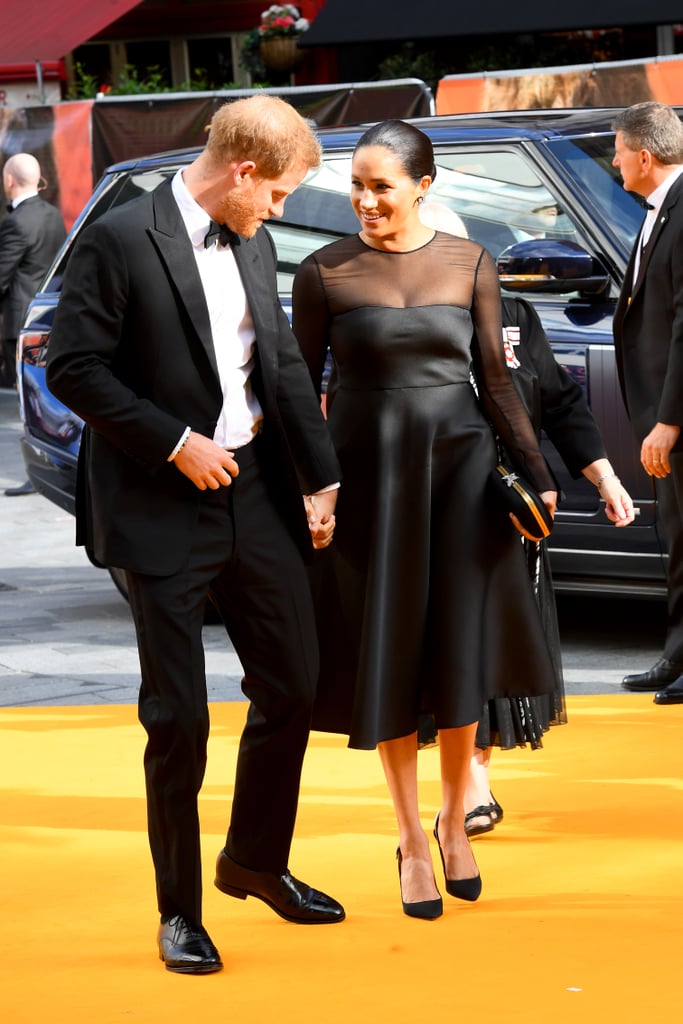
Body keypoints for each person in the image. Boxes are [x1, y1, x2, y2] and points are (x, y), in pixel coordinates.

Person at [46, 95, 346, 976]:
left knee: (293, 682)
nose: (280, 213)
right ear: (242, 171)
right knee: (177, 719)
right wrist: (174, 443)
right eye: (280, 194)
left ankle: (253, 861)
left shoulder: (247, 237)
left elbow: (281, 363)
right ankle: (178, 911)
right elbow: (73, 367)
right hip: (159, 501)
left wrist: (319, 477)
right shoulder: (121, 237)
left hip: (255, 491)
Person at [292, 119, 558, 921]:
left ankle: (453, 819)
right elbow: (301, 394)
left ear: (422, 186)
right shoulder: (322, 272)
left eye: (381, 185)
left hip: (463, 479)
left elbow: (496, 381)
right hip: (370, 483)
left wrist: (538, 479)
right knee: (391, 655)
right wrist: (314, 486)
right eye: (357, 186)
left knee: (457, 651)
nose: (365, 200)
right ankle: (409, 836)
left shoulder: (471, 263)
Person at [457, 297, 634, 834]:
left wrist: (606, 479)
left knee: (498, 641)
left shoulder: (516, 316)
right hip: (439, 498)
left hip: (516, 500)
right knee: (455, 642)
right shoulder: (401, 306)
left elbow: (558, 402)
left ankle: (472, 780)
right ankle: (467, 788)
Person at [612, 102, 683, 707]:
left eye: (616, 150)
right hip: (665, 410)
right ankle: (679, 655)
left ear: (643, 156)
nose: (613, 161)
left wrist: (669, 420)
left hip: (677, 415)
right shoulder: (662, 209)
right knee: (679, 535)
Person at [1, 152, 66, 494]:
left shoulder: (16, 222)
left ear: (9, 180)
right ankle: (54, 463)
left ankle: (39, 470)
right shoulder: (52, 214)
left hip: (21, 322)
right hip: (49, 318)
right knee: (46, 398)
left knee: (30, 402)